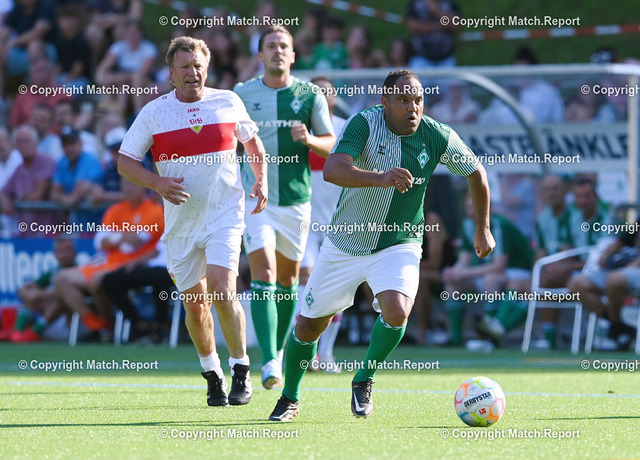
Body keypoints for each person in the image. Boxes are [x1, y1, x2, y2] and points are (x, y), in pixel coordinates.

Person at [268, 69, 494, 422]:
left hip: (398, 243)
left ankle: (364, 378)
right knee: (309, 326)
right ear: (385, 102)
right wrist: (381, 178)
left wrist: (483, 229)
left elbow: (476, 172)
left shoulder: (438, 135)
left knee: (397, 311)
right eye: (403, 100)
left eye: (418, 100)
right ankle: (290, 397)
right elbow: (333, 169)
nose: (412, 107)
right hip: (345, 242)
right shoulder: (364, 124)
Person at [118, 36, 268, 407]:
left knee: (222, 288)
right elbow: (125, 162)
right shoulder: (154, 112)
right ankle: (212, 374)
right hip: (181, 224)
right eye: (184, 67)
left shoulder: (228, 101)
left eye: (198, 65)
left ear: (207, 68)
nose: (193, 72)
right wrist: (157, 183)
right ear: (171, 74)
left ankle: (241, 368)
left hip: (224, 214)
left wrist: (261, 179)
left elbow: (252, 142)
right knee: (196, 306)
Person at [233, 26, 335, 390]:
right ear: (260, 55)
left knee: (289, 281)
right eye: (271, 46)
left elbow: (331, 143)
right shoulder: (242, 94)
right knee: (263, 273)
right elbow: (227, 142)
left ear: (293, 55)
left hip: (296, 201)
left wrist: (309, 139)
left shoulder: (309, 95)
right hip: (255, 198)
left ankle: (278, 349)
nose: (278, 51)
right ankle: (270, 360)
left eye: (284, 46)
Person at [53, 179, 164, 341]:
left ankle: (107, 324)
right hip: (108, 263)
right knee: (62, 279)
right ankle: (96, 324)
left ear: (144, 188)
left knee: (98, 280)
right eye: (126, 184)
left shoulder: (154, 210)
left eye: (133, 184)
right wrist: (122, 237)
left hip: (133, 266)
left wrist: (113, 238)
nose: (129, 188)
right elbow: (100, 242)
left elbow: (134, 242)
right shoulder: (115, 210)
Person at [444, 195, 533, 350]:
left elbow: (499, 265)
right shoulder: (467, 225)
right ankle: (455, 339)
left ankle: (489, 336)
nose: (472, 211)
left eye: (476, 206)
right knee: (453, 284)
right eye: (469, 207)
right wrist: (453, 272)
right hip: (490, 272)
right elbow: (464, 260)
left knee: (490, 280)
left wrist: (463, 273)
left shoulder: (500, 225)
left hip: (518, 270)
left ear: (488, 207)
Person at [300, 76, 346, 370]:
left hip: (339, 223)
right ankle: (306, 353)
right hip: (303, 222)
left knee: (337, 289)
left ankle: (326, 354)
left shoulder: (347, 128)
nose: (321, 96)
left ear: (334, 96)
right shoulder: (299, 131)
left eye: (326, 91)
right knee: (304, 283)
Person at [568, 221, 639, 351]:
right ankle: (619, 326)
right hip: (624, 267)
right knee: (576, 284)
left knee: (614, 279)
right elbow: (624, 240)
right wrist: (606, 254)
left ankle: (614, 331)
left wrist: (634, 264)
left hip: (634, 269)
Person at [0, 237, 77, 342]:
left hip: (70, 325)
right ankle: (18, 332)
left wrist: (41, 295)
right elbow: (25, 288)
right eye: (60, 251)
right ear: (55, 254)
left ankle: (34, 333)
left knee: (59, 300)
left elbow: (64, 294)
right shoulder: (53, 272)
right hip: (50, 324)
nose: (64, 255)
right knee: (32, 298)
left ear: (75, 252)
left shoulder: (79, 272)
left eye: (67, 250)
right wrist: (32, 297)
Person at [406, 0, 460, 68]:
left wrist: (436, 11)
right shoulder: (416, 4)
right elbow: (412, 26)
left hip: (446, 59)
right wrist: (436, 26)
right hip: (420, 59)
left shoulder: (451, 4)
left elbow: (455, 25)